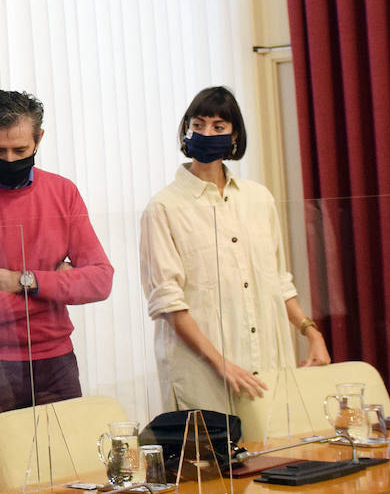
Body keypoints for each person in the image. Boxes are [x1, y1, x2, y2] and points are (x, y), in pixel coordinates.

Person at [0, 91, 114, 494]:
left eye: (20, 149)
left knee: (71, 478)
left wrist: (27, 280)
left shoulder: (63, 193)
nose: (10, 159)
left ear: (39, 139)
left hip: (55, 361)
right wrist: (58, 284)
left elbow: (101, 280)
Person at [140, 86, 330, 413]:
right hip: (202, 373)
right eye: (197, 125)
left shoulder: (259, 199)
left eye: (218, 127)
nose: (205, 133)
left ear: (234, 135)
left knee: (276, 456)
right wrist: (221, 363)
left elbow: (279, 280)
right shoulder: (163, 207)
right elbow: (169, 302)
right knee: (211, 461)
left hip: (266, 364)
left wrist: (311, 332)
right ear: (186, 129)